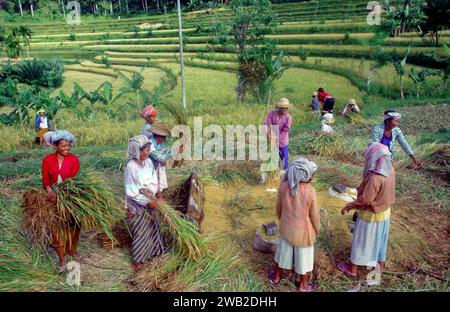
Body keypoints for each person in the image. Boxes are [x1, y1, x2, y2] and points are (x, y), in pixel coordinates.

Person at [339, 143, 396, 276]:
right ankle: (379, 265)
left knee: (362, 241)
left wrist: (350, 205)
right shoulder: (390, 170)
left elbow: (366, 199)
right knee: (380, 240)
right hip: (385, 212)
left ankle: (352, 268)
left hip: (371, 215)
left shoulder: (376, 177)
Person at [268, 157, 320, 292]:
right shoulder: (310, 191)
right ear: (304, 176)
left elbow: (278, 208)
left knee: (281, 253)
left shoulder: (284, 186)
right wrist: (317, 229)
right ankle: (303, 285)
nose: (313, 177)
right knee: (304, 258)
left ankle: (276, 277)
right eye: (311, 174)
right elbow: (314, 215)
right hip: (303, 232)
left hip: (286, 227)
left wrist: (282, 220)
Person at [41, 130, 80, 272]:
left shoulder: (74, 160)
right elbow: (45, 179)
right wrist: (48, 189)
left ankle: (73, 250)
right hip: (53, 199)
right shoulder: (47, 160)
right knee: (56, 228)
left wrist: (67, 193)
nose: (66, 149)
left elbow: (75, 180)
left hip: (70, 198)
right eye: (63, 146)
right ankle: (62, 259)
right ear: (55, 146)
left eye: (68, 146)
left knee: (73, 226)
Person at [124, 135, 163, 271]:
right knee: (141, 232)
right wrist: (147, 201)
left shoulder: (149, 163)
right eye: (143, 150)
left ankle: (153, 253)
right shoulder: (131, 167)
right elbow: (131, 191)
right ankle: (137, 260)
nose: (146, 153)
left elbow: (153, 179)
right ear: (136, 151)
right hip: (138, 206)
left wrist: (153, 194)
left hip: (150, 199)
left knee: (152, 227)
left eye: (147, 149)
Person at [264, 98, 292, 171]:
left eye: (285, 108)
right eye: (282, 108)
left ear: (287, 108)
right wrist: (267, 133)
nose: (283, 110)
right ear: (279, 107)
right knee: (273, 157)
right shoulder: (272, 114)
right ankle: (274, 172)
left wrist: (276, 138)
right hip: (272, 140)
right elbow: (265, 123)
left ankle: (285, 173)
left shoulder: (288, 118)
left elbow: (285, 130)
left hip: (283, 141)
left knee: (284, 158)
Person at [149, 123, 173, 199]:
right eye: (164, 136)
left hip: (156, 166)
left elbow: (164, 152)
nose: (166, 138)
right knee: (151, 185)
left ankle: (160, 196)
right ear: (159, 136)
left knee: (159, 182)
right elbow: (160, 158)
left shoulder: (160, 143)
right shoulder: (150, 145)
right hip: (149, 168)